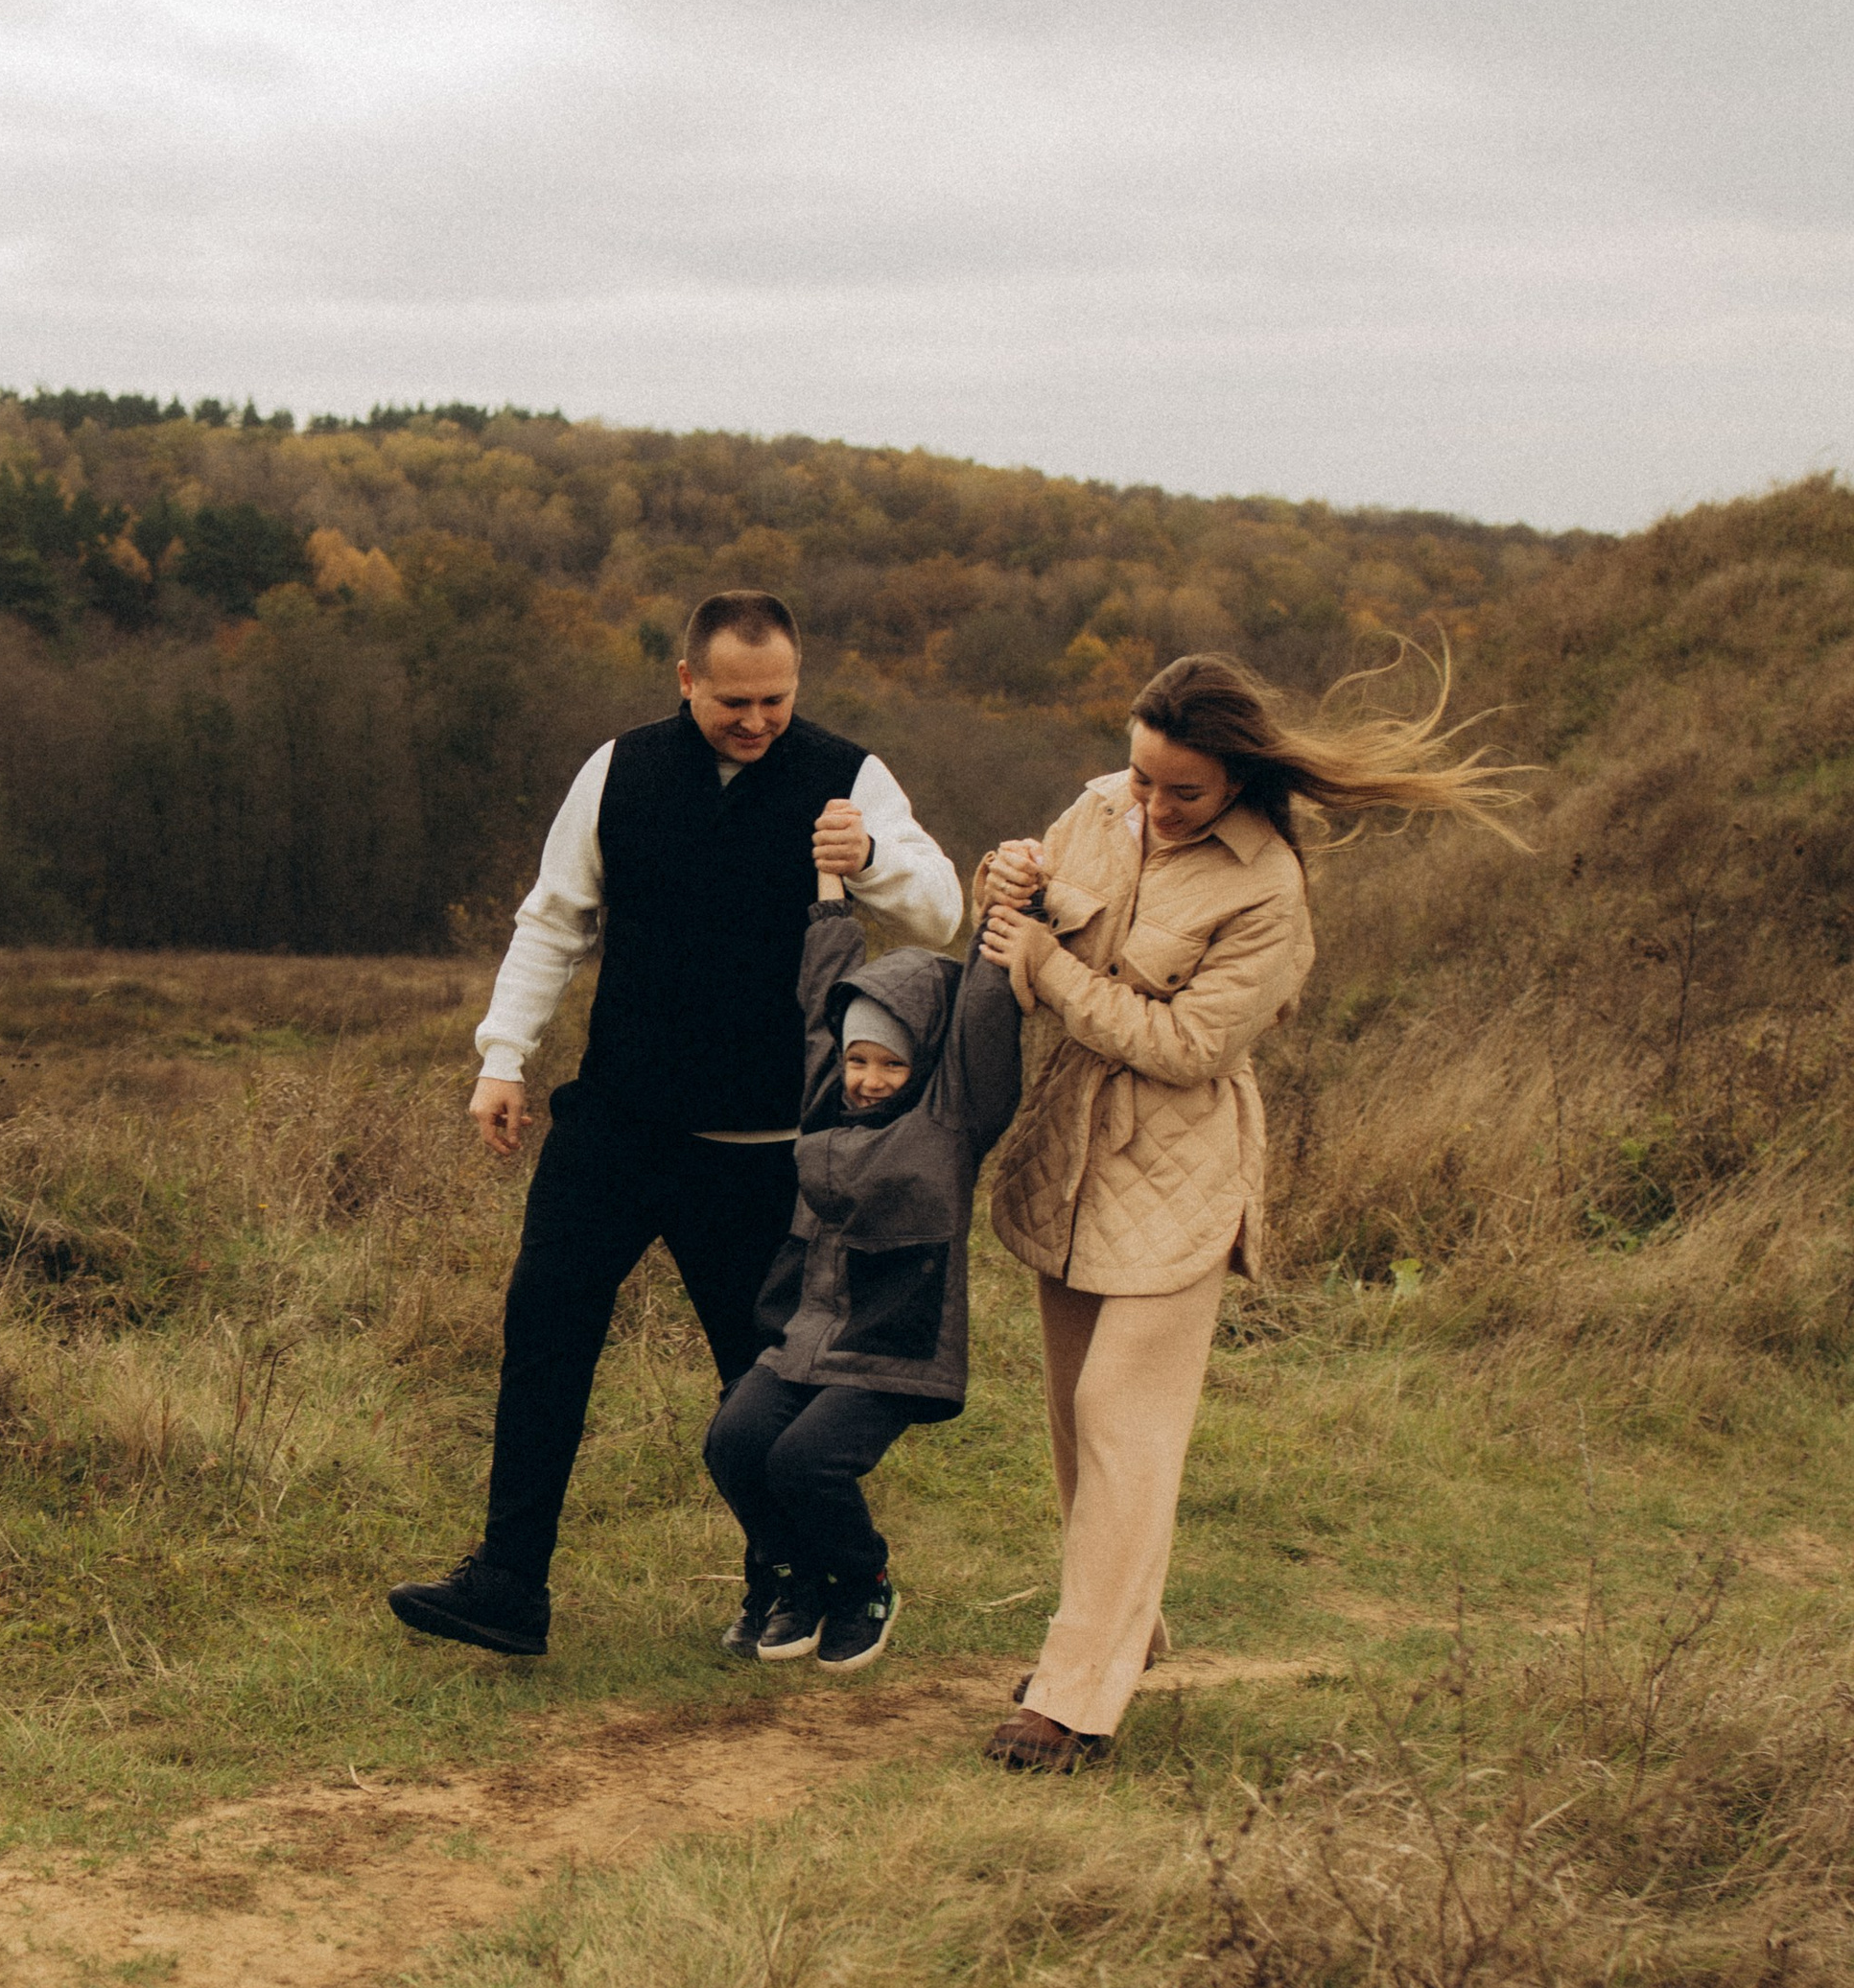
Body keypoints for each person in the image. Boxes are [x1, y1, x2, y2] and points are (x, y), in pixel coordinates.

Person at [975, 651, 1523, 1771]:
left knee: (1124, 1421)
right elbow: (1018, 932)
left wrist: (1047, 963)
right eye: (1143, 779)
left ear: (1238, 780)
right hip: (1064, 1158)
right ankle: (1124, 1631)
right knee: (1075, 1422)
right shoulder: (1096, 806)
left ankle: (1074, 1700)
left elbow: (1188, 1047)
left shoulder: (1266, 887)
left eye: (1184, 790)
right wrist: (1008, 890)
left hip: (1180, 1174)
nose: (1154, 805)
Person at [387, 591, 961, 1657]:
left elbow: (942, 909)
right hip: (613, 1125)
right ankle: (509, 1585)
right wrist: (502, 1059)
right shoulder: (616, 769)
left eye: (776, 699)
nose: (756, 720)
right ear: (686, 680)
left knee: (758, 1378)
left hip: (761, 1153)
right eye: (733, 700)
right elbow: (552, 921)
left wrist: (870, 851)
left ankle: (784, 1585)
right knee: (543, 1338)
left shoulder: (850, 775)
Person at [702, 830, 1028, 1670]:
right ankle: (794, 1577)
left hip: (895, 1340)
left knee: (808, 1462)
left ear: (924, 1064)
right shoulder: (827, 1096)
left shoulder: (952, 1119)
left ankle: (863, 1579)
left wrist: (1005, 909)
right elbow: (825, 995)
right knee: (736, 1443)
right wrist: (827, 888)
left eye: (892, 1062)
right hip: (806, 1329)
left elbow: (984, 1024)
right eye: (860, 1059)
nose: (870, 1077)